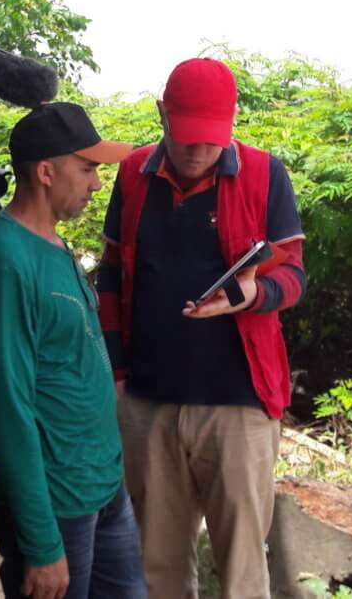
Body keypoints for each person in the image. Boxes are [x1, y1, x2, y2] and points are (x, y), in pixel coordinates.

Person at [96, 58, 306, 599]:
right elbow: (113, 279)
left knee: (241, 569)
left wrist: (254, 293)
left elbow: (294, 275)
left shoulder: (265, 174)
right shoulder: (133, 174)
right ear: (162, 114)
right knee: (155, 563)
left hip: (238, 404)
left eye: (212, 140)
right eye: (188, 137)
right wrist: (119, 377)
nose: (198, 151)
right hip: (149, 401)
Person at [0, 103, 148, 599]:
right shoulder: (4, 260)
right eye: (86, 168)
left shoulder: (54, 246)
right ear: (46, 172)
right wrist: (42, 544)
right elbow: (9, 408)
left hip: (103, 487)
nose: (95, 183)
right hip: (58, 501)